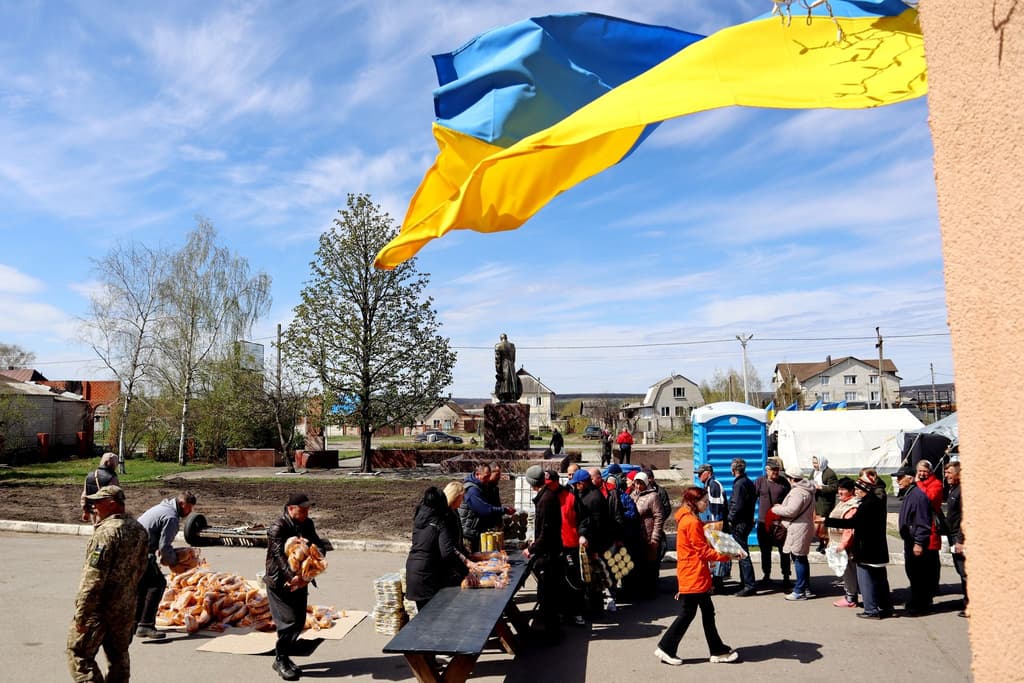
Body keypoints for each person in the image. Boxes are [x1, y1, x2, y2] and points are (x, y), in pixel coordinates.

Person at [653, 486, 743, 666]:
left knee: (705, 612)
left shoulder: (688, 518)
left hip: (693, 573)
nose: (707, 505)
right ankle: (666, 647)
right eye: (705, 502)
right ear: (694, 502)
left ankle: (717, 650)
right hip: (693, 574)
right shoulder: (691, 522)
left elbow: (698, 537)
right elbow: (702, 551)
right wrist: (727, 555)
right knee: (689, 613)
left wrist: (709, 527)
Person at [67, 485, 148, 683]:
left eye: (97, 502)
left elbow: (93, 578)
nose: (93, 506)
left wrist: (82, 614)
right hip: (125, 608)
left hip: (100, 609)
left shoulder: (107, 532)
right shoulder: (138, 529)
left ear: (112, 504)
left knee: (78, 654)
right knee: (118, 656)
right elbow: (142, 568)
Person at [265, 493, 328, 681]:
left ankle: (283, 656)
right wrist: (292, 577)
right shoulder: (278, 527)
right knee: (289, 622)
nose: (306, 513)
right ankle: (281, 659)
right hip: (279, 582)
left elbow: (318, 543)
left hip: (302, 579)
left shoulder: (307, 524)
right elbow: (279, 556)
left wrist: (319, 554)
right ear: (290, 509)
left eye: (308, 510)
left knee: (299, 622)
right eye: (302, 510)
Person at [826, 476, 895, 619]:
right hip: (878, 549)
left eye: (858, 489)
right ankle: (886, 607)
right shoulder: (877, 501)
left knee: (866, 581)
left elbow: (852, 523)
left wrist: (826, 520)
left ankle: (871, 610)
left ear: (865, 489)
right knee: (880, 580)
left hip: (867, 549)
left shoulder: (867, 504)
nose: (856, 491)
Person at [135, 490, 197, 640]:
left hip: (133, 547)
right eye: (189, 508)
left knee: (142, 586)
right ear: (182, 504)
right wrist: (174, 562)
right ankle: (146, 625)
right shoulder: (171, 517)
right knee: (158, 584)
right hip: (142, 551)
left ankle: (134, 623)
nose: (190, 512)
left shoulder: (163, 507)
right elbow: (164, 546)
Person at [405, 483, 475, 611]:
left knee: (425, 617)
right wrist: (465, 572)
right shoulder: (439, 522)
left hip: (413, 570)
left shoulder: (420, 519)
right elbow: (447, 552)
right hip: (428, 575)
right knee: (434, 618)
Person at [523, 466, 563, 640]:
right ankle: (551, 630)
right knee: (548, 595)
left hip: (548, 555)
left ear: (532, 483)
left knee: (547, 596)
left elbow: (546, 532)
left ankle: (551, 634)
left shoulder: (545, 500)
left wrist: (531, 549)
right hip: (550, 552)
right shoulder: (548, 496)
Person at [896, 466, 938, 616]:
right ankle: (917, 601)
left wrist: (919, 543)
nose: (898, 481)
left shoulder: (918, 496)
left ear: (911, 478)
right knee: (913, 574)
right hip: (910, 541)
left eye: (901, 478)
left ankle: (921, 604)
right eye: (897, 478)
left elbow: (923, 522)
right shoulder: (909, 494)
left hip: (916, 542)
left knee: (919, 575)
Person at [771, 467, 816, 601]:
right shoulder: (808, 489)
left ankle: (799, 590)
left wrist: (777, 509)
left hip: (797, 528)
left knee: (798, 558)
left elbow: (791, 511)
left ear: (792, 479)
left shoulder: (797, 492)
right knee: (802, 558)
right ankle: (806, 588)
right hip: (804, 526)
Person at [754, 459, 792, 590]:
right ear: (767, 470)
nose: (776, 472)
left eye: (777, 470)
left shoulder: (784, 483)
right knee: (765, 551)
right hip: (763, 522)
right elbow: (753, 498)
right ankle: (766, 575)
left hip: (780, 523)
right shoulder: (760, 481)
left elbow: (791, 502)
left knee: (784, 551)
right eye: (773, 470)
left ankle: (786, 577)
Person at [628, 472, 665, 600]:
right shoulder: (632, 495)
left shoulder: (653, 496)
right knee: (638, 565)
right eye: (636, 483)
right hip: (636, 536)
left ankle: (650, 593)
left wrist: (655, 538)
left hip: (649, 536)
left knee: (650, 566)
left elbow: (659, 517)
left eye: (641, 483)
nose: (638, 486)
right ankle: (639, 592)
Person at [459, 463, 511, 551]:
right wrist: (504, 510)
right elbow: (484, 509)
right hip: (468, 533)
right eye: (486, 477)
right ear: (477, 474)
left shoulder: (482, 487)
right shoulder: (472, 490)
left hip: (474, 531)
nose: (488, 480)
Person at [827, 477, 862, 608]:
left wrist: (843, 544)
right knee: (846, 570)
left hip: (846, 545)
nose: (840, 492)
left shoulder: (852, 505)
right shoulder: (843, 502)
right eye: (839, 489)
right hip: (838, 542)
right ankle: (850, 595)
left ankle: (851, 598)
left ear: (851, 491)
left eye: (843, 489)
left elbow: (849, 528)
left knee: (849, 571)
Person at [727, 458, 757, 596]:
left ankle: (749, 584)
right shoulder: (748, 482)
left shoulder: (739, 484)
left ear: (734, 470)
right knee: (741, 552)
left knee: (742, 554)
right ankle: (744, 582)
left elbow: (737, 505)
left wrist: (729, 519)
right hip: (746, 521)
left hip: (740, 523)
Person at [944, 461, 967, 617]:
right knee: (961, 571)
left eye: (950, 473)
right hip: (952, 535)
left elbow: (966, 518)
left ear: (959, 474)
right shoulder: (953, 490)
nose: (947, 476)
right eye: (946, 473)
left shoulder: (962, 492)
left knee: (965, 572)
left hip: (960, 537)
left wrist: (960, 540)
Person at [80, 452, 120, 522]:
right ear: (114, 464)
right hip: (106, 512)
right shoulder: (112, 478)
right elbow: (115, 497)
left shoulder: (90, 476)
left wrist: (85, 511)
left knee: (96, 529)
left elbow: (84, 495)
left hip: (93, 510)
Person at [812, 456, 839, 553]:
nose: (814, 465)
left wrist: (821, 488)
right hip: (817, 501)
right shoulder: (815, 472)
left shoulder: (829, 473)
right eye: (813, 463)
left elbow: (834, 488)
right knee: (818, 523)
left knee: (824, 524)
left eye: (816, 463)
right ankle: (821, 543)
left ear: (821, 462)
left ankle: (826, 544)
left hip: (825, 503)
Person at [494, 333, 522, 403]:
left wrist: (498, 369)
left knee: (504, 381)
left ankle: (503, 397)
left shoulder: (498, 346)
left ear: (500, 338)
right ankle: (513, 397)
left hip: (504, 365)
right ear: (506, 338)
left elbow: (497, 359)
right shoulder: (512, 346)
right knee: (512, 380)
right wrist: (511, 364)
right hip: (511, 365)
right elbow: (514, 358)